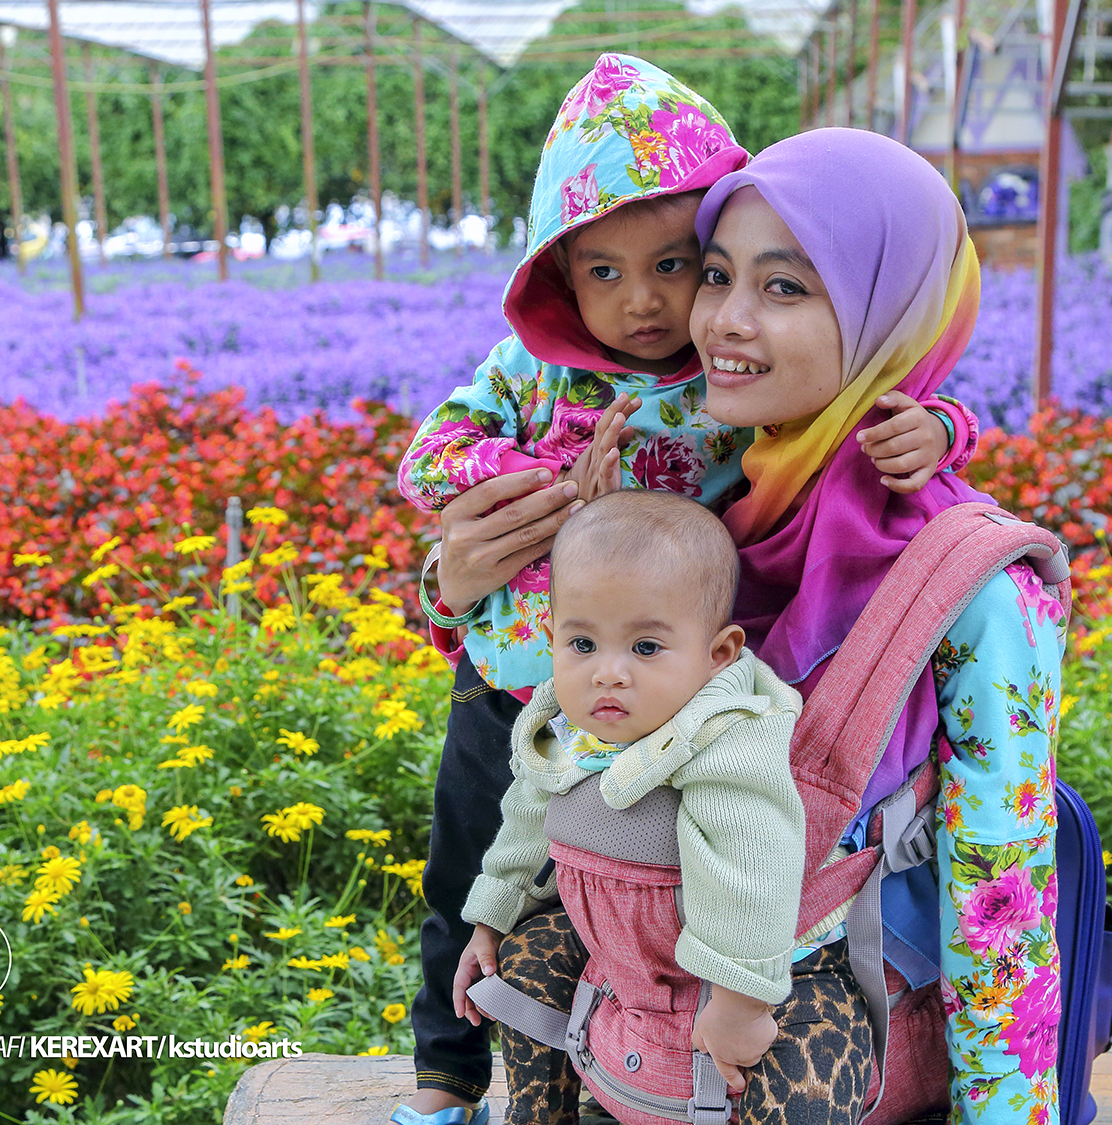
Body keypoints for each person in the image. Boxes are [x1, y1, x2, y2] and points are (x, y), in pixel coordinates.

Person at [434, 128, 1065, 1125]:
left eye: (785, 288)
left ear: (887, 314)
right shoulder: (717, 504)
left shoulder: (972, 580)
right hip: (638, 1006)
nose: (719, 320)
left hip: (822, 1024)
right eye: (718, 274)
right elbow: (569, 703)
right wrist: (457, 585)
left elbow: (1002, 892)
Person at [452, 489, 817, 1123]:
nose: (608, 674)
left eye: (645, 648)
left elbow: (754, 867)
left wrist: (739, 1001)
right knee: (519, 961)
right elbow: (525, 824)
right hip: (619, 942)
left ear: (719, 654)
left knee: (792, 1066)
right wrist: (490, 919)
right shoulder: (566, 724)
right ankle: (546, 1111)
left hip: (736, 954)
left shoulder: (726, 732)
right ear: (551, 637)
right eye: (583, 645)